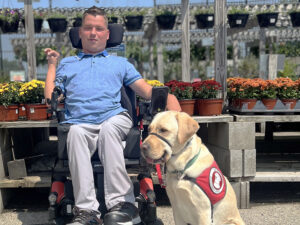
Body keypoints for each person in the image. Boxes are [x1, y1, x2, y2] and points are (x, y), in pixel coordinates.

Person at [44, 6, 181, 225]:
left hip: (114, 117)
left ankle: (122, 204)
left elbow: (145, 90)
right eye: (88, 28)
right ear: (80, 33)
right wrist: (52, 65)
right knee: (76, 133)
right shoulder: (68, 64)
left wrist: (169, 99)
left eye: (99, 28)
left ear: (108, 34)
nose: (93, 33)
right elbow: (51, 95)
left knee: (108, 129)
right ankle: (87, 212)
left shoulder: (120, 63)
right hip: (79, 121)